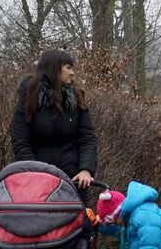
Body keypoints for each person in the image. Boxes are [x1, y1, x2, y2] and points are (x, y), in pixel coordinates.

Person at [10, 49, 97, 205]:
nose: (73, 73)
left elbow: (87, 137)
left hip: (73, 180)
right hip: (36, 181)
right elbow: (20, 140)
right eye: (68, 68)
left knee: (78, 226)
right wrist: (36, 172)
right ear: (54, 69)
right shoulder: (29, 98)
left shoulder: (76, 98)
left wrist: (86, 169)